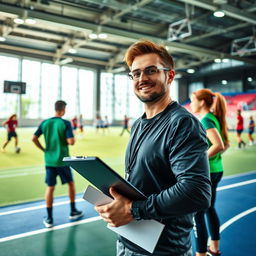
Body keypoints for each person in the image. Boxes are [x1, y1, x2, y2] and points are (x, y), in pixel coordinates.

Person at [95, 40, 211, 256]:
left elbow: (196, 192)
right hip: (129, 240)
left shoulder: (182, 123)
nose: (142, 79)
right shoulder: (138, 123)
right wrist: (116, 200)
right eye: (136, 73)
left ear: (169, 76)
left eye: (151, 71)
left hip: (163, 250)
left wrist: (133, 210)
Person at [190, 89, 230, 256]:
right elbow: (225, 145)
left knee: (198, 213)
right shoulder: (213, 118)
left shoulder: (206, 120)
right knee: (209, 209)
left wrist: (199, 161)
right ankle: (214, 247)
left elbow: (219, 145)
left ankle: (201, 253)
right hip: (216, 170)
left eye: (193, 100)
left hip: (208, 173)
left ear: (202, 102)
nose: (191, 104)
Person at [32, 100, 83, 228]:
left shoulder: (45, 123)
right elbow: (71, 141)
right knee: (71, 184)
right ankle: (73, 211)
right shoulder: (65, 123)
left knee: (50, 187)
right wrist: (73, 137)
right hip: (62, 161)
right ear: (63, 109)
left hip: (49, 161)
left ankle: (49, 218)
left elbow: (34, 138)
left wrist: (44, 149)